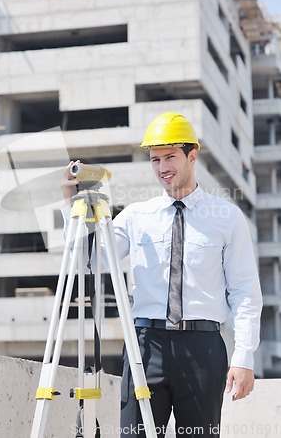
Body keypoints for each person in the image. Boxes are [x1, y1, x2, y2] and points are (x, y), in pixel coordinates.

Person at [61, 112, 263, 438]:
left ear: (192, 156)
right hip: (145, 345)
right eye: (155, 159)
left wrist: (244, 356)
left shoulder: (227, 217)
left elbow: (245, 291)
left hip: (203, 347)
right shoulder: (136, 216)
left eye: (170, 157)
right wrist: (69, 205)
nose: (162, 167)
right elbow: (87, 261)